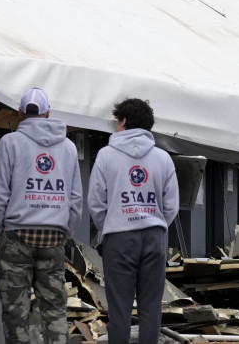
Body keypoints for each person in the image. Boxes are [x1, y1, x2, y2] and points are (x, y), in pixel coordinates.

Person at [0, 87, 83, 344]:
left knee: (15, 310)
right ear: (48, 113)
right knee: (55, 309)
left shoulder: (9, 143)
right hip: (54, 236)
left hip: (16, 235)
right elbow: (75, 199)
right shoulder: (69, 149)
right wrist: (66, 232)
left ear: (19, 113)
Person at [88, 98, 179, 344]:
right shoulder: (163, 158)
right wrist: (154, 223)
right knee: (151, 309)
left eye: (117, 121)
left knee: (119, 310)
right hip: (154, 237)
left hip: (119, 237)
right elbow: (171, 206)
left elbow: (96, 202)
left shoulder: (106, 156)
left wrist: (111, 225)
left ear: (124, 121)